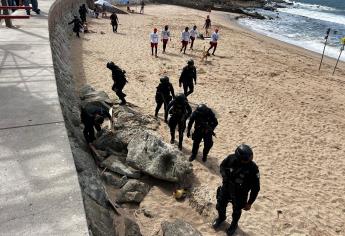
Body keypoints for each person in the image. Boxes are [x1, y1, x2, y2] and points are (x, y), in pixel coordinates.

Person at [212, 144, 260, 236]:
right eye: (247, 159)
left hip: (240, 194)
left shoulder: (253, 169)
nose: (249, 160)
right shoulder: (231, 158)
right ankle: (221, 218)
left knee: (236, 212)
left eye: (250, 157)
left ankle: (234, 225)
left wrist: (250, 202)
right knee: (220, 205)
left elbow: (256, 188)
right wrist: (225, 177)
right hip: (226, 188)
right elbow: (222, 166)